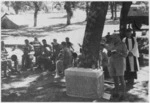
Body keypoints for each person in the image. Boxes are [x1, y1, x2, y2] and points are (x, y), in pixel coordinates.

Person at [105, 33, 128, 100]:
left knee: (121, 78)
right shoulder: (111, 44)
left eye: (115, 38)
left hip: (120, 62)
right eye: (113, 38)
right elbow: (108, 54)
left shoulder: (123, 44)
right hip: (112, 62)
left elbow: (125, 55)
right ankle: (117, 93)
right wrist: (109, 52)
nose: (114, 39)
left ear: (118, 38)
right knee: (115, 78)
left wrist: (118, 53)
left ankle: (123, 94)